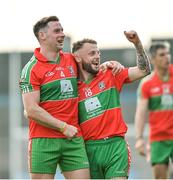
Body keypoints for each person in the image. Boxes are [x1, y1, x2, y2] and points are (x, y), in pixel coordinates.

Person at [19, 16, 123, 179]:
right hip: (43, 140)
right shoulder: (31, 69)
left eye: (62, 30)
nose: (62, 34)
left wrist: (110, 63)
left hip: (73, 139)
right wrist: (63, 127)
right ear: (42, 35)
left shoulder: (71, 59)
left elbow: (92, 66)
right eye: (57, 31)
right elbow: (31, 110)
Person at [72, 31, 151, 179]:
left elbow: (143, 70)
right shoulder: (72, 88)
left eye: (98, 52)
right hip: (88, 151)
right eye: (91, 53)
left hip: (115, 147)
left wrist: (137, 44)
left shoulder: (110, 73)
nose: (97, 56)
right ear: (77, 58)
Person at [135, 41, 173, 179]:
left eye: (168, 53)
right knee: (160, 177)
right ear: (153, 59)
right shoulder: (147, 84)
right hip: (159, 139)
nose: (167, 57)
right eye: (162, 55)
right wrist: (139, 138)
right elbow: (140, 113)